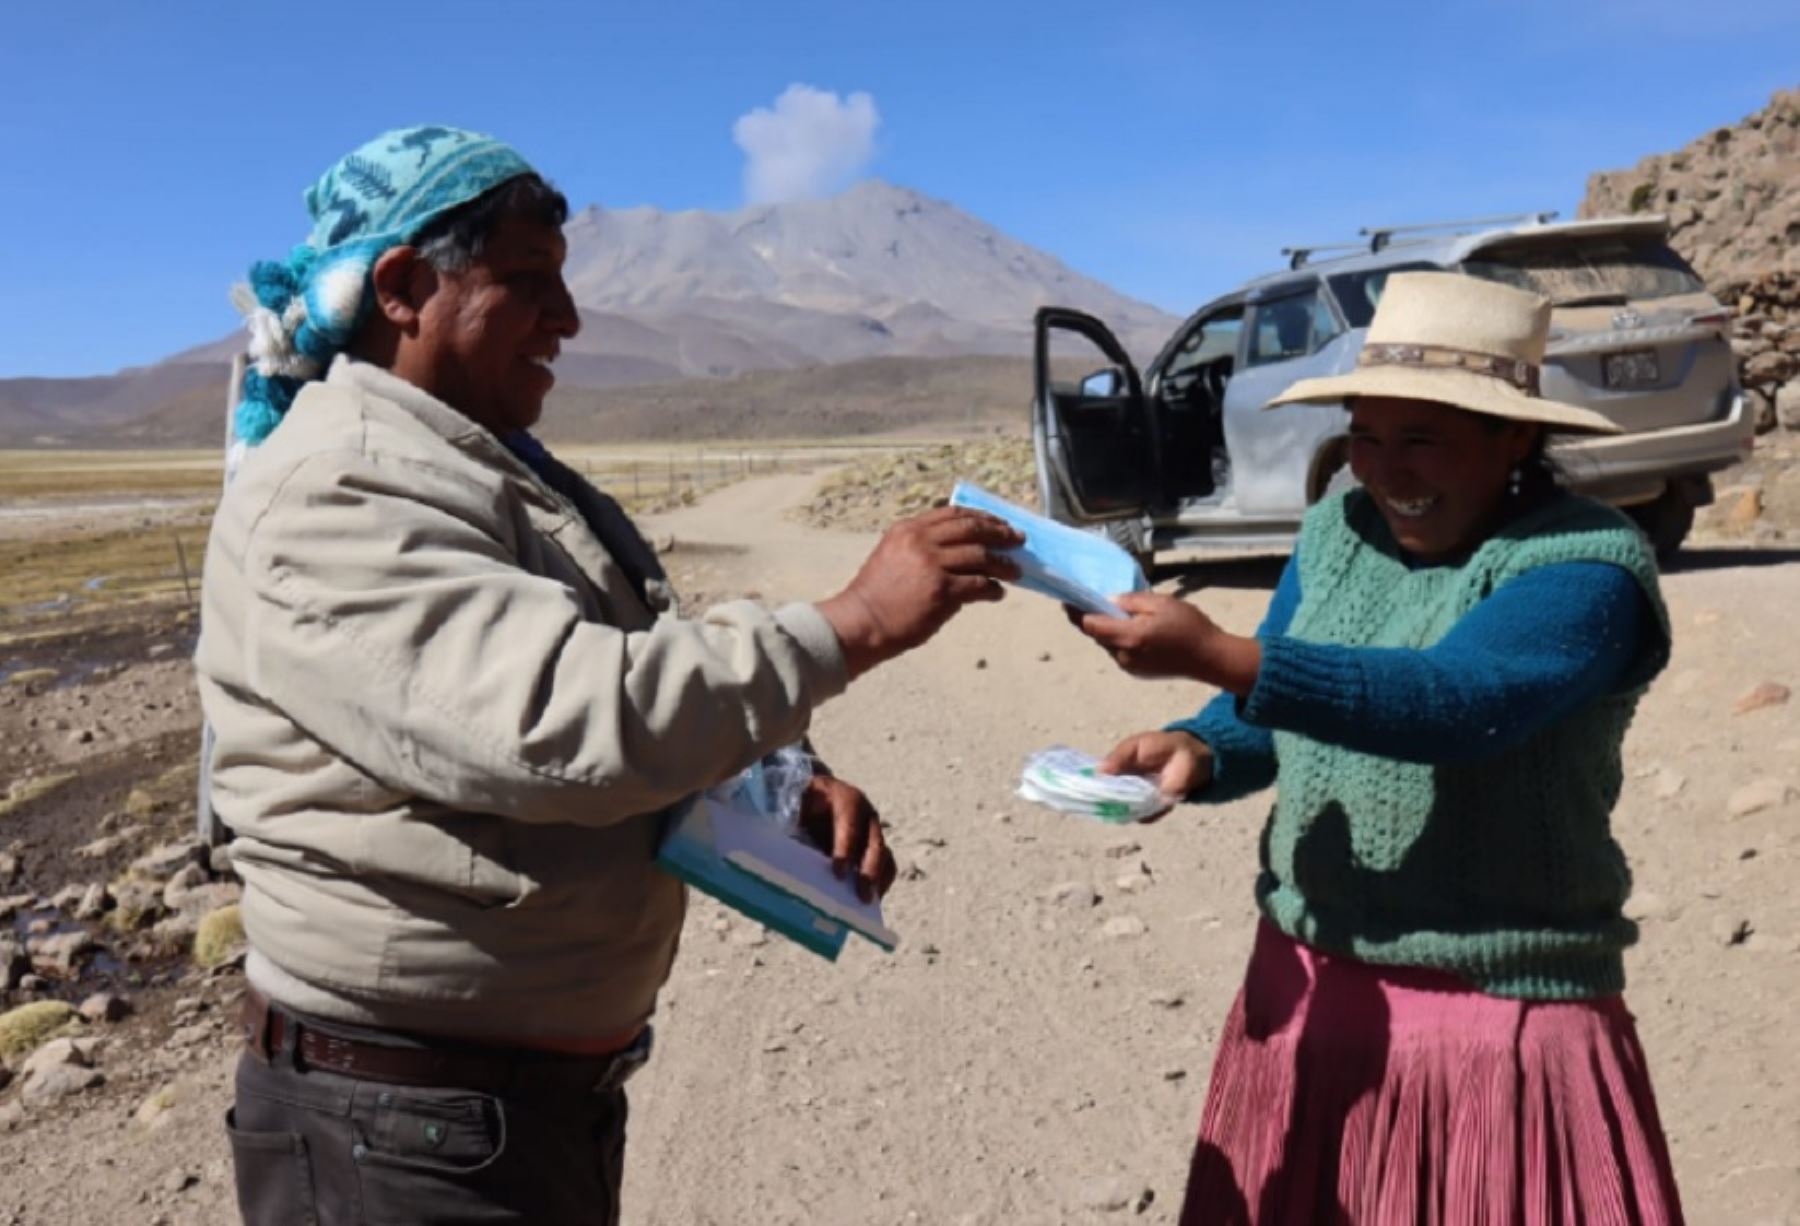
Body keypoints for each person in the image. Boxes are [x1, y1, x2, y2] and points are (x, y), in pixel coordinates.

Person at [194, 126, 1021, 1226]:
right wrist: (853, 620)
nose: (570, 321)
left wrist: (770, 777)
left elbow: (606, 657)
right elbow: (553, 721)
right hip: (394, 1133)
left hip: (488, 1116)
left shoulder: (475, 459)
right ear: (402, 287)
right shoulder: (337, 488)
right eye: (529, 284)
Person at [1070, 272, 1684, 1224]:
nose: (1386, 471)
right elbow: (1276, 702)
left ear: (1515, 436)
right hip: (1307, 984)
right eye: (1364, 434)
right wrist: (1200, 749)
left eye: (1422, 439)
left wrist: (1221, 652)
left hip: (1491, 1019)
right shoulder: (1338, 530)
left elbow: (1455, 701)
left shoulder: (1584, 567)